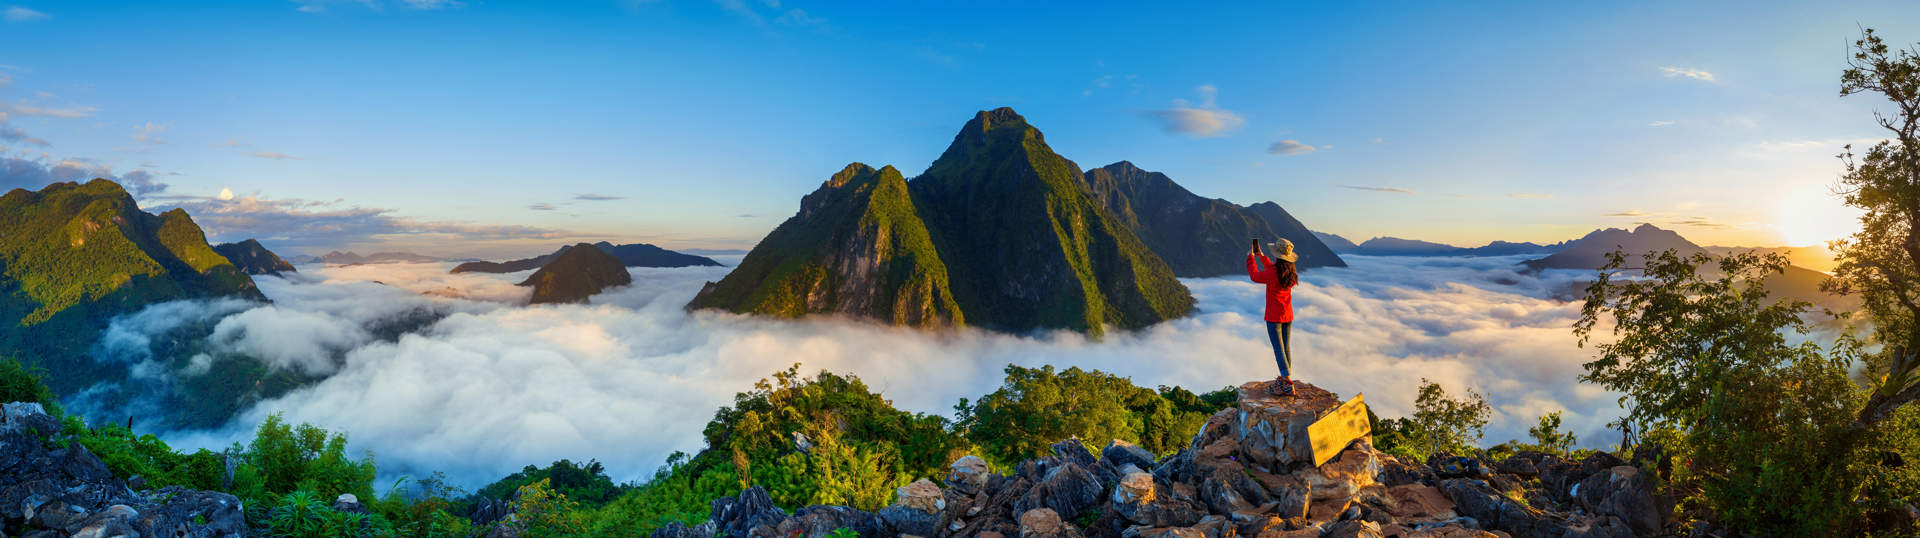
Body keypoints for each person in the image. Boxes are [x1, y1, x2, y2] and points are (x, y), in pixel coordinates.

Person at [1247, 237, 1300, 396]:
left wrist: (1251, 258)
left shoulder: (1274, 273)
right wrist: (1261, 256)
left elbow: (1255, 276)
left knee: (1278, 349)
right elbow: (1272, 268)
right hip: (1287, 315)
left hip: (1274, 317)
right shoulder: (1290, 272)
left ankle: (1287, 383)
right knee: (1285, 347)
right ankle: (1286, 379)